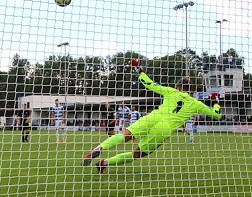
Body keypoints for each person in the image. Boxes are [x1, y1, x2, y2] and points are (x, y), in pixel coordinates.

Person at [82, 63, 221, 173]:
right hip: (165, 128)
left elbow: (149, 84)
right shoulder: (196, 104)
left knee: (125, 135)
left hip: (153, 117)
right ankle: (104, 163)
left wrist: (139, 70)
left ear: (178, 87)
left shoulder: (170, 91)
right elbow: (216, 114)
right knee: (138, 153)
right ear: (190, 90)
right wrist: (215, 101)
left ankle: (99, 148)